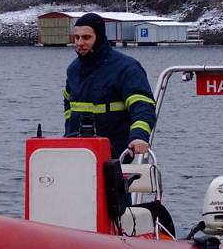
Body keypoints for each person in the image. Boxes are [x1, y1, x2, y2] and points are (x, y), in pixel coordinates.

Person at [63, 12, 156, 158]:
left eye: (86, 37)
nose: (80, 43)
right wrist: (67, 137)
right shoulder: (73, 70)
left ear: (99, 38)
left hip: (116, 156)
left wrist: (139, 136)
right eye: (77, 37)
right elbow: (69, 109)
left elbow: (143, 106)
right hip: (79, 154)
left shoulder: (126, 68)